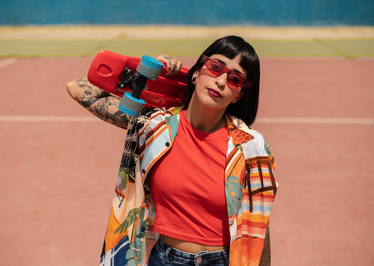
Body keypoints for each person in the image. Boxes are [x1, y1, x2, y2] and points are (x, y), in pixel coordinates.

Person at [66, 35, 278, 266]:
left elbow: (257, 225)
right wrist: (150, 76)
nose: (221, 81)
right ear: (196, 73)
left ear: (239, 95)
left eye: (235, 79)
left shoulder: (250, 146)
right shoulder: (155, 126)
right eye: (215, 67)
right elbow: (77, 88)